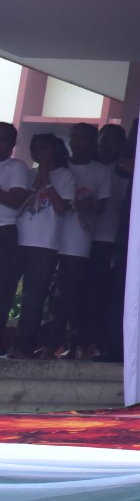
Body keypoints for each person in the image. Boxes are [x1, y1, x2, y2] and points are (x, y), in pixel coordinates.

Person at [8, 135, 72, 359]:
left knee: (33, 298)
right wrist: (33, 186)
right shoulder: (26, 174)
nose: (37, 154)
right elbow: (17, 205)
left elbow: (62, 208)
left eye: (43, 149)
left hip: (45, 245)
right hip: (18, 241)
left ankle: (22, 346)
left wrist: (46, 181)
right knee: (6, 292)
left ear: (55, 150)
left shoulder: (65, 176)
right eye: (34, 150)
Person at [51, 123, 109, 358]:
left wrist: (90, 206)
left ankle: (72, 343)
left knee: (74, 294)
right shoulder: (60, 168)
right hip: (50, 240)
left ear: (93, 142)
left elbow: (102, 206)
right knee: (51, 294)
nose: (77, 142)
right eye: (74, 137)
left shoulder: (101, 171)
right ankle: (49, 343)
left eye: (83, 138)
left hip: (78, 243)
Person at [90, 124, 132, 359]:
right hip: (89, 240)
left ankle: (110, 344)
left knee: (112, 293)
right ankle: (86, 342)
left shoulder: (128, 170)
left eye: (115, 141)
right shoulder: (93, 168)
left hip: (115, 242)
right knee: (89, 293)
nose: (109, 146)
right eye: (105, 140)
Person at [0, 123, 31, 339]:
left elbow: (14, 199)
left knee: (2, 290)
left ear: (12, 143)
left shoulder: (16, 167)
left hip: (5, 232)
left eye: (4, 139)